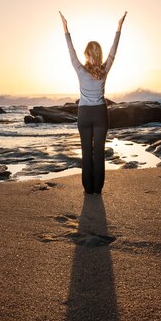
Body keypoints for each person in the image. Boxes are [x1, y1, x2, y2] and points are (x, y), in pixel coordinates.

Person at [59, 11, 127, 194]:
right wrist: (119, 28)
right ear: (99, 55)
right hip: (100, 114)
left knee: (86, 153)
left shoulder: (80, 69)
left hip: (84, 115)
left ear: (87, 55)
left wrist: (66, 30)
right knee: (99, 153)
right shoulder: (104, 70)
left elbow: (70, 51)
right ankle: (98, 188)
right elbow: (114, 51)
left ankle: (88, 189)